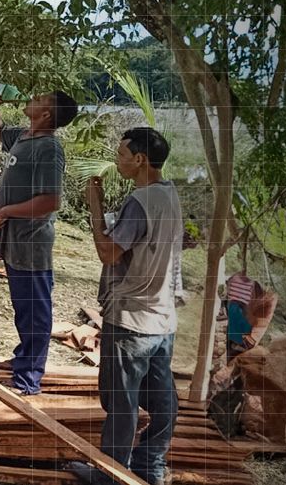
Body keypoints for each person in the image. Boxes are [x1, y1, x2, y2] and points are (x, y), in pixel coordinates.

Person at [68, 127, 182, 485]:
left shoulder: (141, 201)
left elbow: (108, 252)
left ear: (140, 160)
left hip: (132, 319)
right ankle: (151, 467)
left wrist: (95, 204)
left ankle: (111, 475)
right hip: (162, 320)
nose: (116, 160)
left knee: (121, 405)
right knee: (163, 401)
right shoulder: (169, 194)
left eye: (121, 155)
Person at [0, 90, 78, 395]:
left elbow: (50, 200)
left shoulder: (49, 148)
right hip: (15, 240)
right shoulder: (24, 137)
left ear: (47, 114)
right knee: (23, 306)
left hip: (32, 242)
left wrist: (6, 212)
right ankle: (23, 358)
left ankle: (29, 379)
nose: (32, 97)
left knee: (36, 309)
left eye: (39, 98)